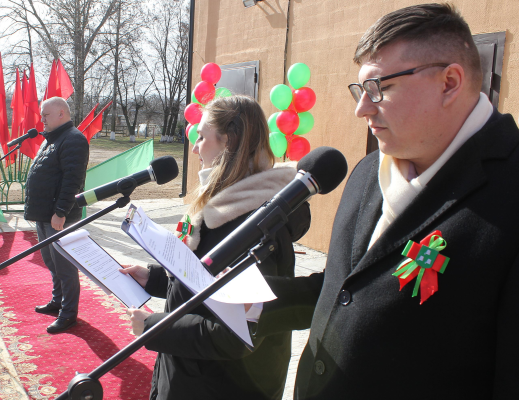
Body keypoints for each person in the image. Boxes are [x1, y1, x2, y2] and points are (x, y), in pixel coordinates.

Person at [253, 4, 519, 399]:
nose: (361, 108)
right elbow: (342, 292)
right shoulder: (367, 171)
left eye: (380, 88)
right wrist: (249, 302)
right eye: (360, 90)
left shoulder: (509, 191)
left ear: (449, 82)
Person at [120, 95, 311, 400]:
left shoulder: (249, 222)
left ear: (228, 142)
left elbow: (237, 333)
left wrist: (155, 327)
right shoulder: (222, 203)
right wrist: (155, 278)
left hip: (218, 386)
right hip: (194, 376)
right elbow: (207, 283)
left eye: (201, 136)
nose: (194, 146)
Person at [27, 97, 89, 334]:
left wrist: (61, 212)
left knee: (65, 266)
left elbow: (72, 181)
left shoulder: (73, 139)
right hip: (45, 214)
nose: (41, 119)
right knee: (51, 261)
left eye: (46, 115)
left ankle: (68, 313)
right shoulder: (52, 138)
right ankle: (57, 301)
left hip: (58, 216)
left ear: (62, 113)